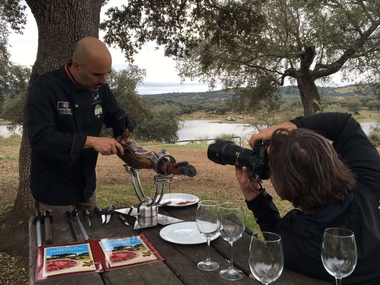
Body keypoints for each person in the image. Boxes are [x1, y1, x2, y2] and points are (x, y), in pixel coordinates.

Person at [235, 112, 380, 284]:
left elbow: (275, 239)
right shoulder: (370, 180)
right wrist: (282, 130)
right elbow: (343, 123)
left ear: (285, 187)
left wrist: (254, 196)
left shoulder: (302, 240)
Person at [27, 37, 136, 212]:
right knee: (63, 239)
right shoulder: (45, 88)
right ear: (77, 66)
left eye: (107, 73)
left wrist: (124, 123)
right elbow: (41, 138)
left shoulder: (99, 87)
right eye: (97, 74)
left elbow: (114, 114)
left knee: (91, 236)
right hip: (54, 191)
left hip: (86, 187)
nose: (104, 80)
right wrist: (92, 141)